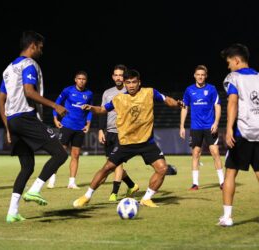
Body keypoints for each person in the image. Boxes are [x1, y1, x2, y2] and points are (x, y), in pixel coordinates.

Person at [73, 69, 184, 208]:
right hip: (126, 142)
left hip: (146, 142)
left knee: (162, 168)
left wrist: (176, 103)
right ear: (125, 83)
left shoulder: (149, 92)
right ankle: (87, 196)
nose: (131, 85)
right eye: (128, 82)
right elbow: (102, 110)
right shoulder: (119, 99)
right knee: (107, 168)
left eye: (134, 82)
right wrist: (91, 108)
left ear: (139, 82)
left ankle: (146, 198)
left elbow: (166, 99)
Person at [0, 30, 68, 223]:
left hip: (13, 120)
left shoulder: (8, 69)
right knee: (61, 154)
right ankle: (35, 190)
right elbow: (29, 92)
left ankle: (12, 212)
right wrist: (55, 105)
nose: (41, 52)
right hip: (26, 117)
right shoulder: (30, 64)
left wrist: (8, 127)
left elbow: (0, 100)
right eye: (41, 48)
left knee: (27, 166)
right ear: (33, 45)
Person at [218, 43, 259, 228]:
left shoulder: (234, 77)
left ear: (237, 60)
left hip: (242, 133)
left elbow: (232, 102)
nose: (228, 66)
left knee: (230, 173)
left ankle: (227, 217)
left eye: (229, 62)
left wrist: (229, 128)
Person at [98, 64, 139, 202]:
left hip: (123, 132)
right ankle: (132, 185)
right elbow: (102, 113)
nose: (118, 77)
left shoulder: (130, 92)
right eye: (116, 75)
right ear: (112, 77)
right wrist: (100, 130)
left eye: (121, 75)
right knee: (112, 164)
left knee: (117, 163)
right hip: (109, 132)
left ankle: (114, 193)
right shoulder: (107, 93)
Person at [180, 65, 224, 190]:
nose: (200, 77)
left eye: (202, 75)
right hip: (195, 127)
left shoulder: (212, 89)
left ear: (206, 76)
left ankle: (222, 182)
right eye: (198, 74)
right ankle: (195, 184)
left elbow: (218, 106)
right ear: (194, 75)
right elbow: (185, 107)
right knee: (196, 154)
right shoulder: (189, 90)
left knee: (215, 152)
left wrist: (216, 123)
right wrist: (182, 126)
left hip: (210, 127)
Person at [47, 71, 93, 189]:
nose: (81, 81)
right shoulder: (67, 90)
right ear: (75, 79)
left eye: (83, 79)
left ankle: (71, 182)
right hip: (66, 126)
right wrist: (55, 119)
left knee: (76, 155)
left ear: (86, 81)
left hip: (80, 128)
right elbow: (57, 104)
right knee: (60, 153)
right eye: (79, 78)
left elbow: (90, 110)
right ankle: (52, 179)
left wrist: (88, 124)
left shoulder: (89, 94)